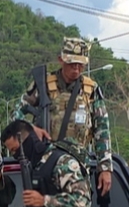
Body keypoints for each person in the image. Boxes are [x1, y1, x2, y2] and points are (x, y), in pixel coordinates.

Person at [21, 36, 114, 197]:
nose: (76, 70)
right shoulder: (42, 85)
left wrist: (105, 168)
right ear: (61, 60)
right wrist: (31, 129)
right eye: (72, 64)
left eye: (80, 65)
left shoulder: (90, 90)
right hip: (45, 165)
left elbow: (102, 130)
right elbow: (16, 117)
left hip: (77, 166)